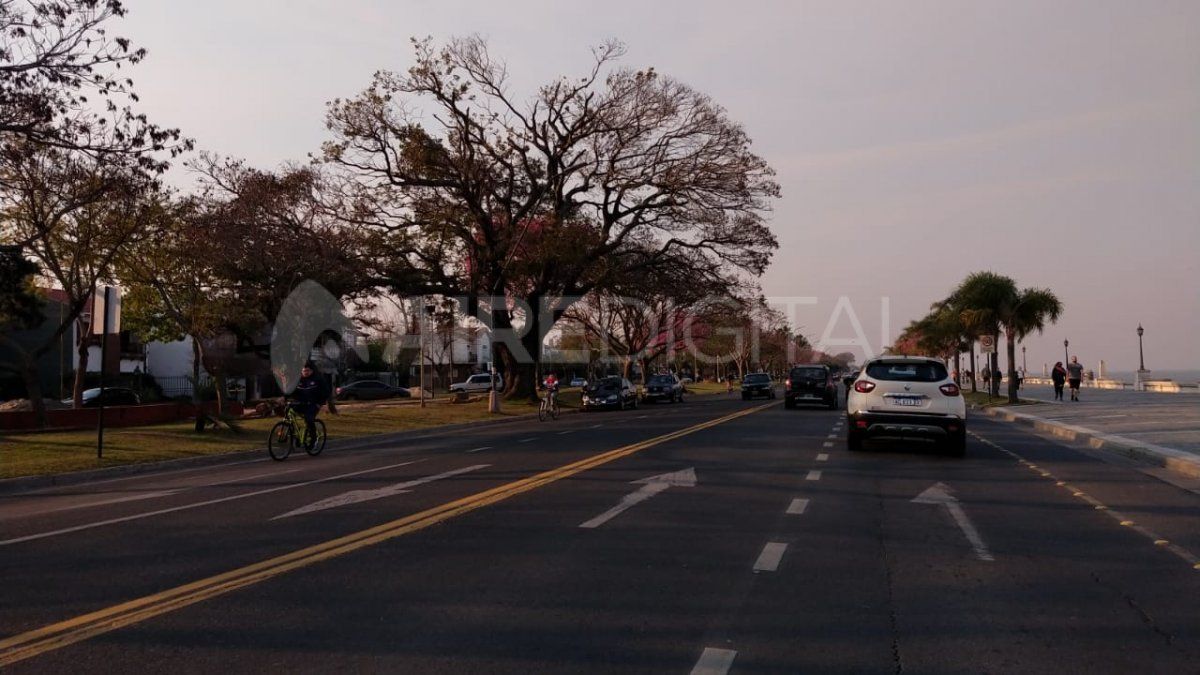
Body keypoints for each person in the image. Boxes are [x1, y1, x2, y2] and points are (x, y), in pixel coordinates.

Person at [290, 362, 328, 447]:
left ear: (311, 371)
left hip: (314, 404)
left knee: (309, 419)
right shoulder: (298, 380)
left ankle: (313, 439)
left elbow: (325, 392)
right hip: (302, 403)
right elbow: (291, 391)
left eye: (307, 371)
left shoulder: (318, 379)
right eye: (304, 371)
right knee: (289, 414)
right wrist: (284, 398)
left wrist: (320, 403)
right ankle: (297, 434)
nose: (305, 373)